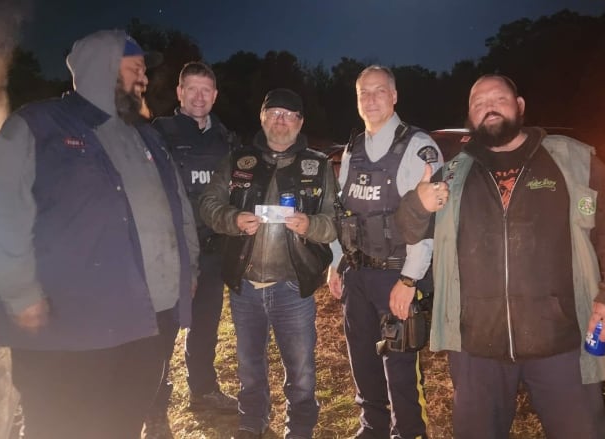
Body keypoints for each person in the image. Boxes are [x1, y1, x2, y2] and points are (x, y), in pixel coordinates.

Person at [0, 30, 198, 439]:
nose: (144, 79)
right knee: (64, 425)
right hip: (72, 325)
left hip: (148, 320)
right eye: (136, 69)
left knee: (124, 421)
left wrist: (190, 270)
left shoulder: (145, 134)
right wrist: (20, 294)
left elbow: (177, 205)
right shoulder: (36, 126)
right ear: (103, 69)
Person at [394, 74, 605, 438]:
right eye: (478, 103)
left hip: (561, 338)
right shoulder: (453, 174)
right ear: (470, 116)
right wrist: (418, 202)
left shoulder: (570, 160)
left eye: (498, 98)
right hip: (476, 343)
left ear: (520, 106)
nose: (488, 107)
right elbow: (408, 229)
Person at [199, 88, 336, 439]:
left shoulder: (318, 165)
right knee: (249, 368)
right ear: (262, 117)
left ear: (300, 122)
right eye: (273, 112)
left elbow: (334, 220)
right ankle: (251, 422)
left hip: (294, 285)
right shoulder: (237, 159)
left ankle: (300, 427)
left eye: (289, 114)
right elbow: (208, 204)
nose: (280, 120)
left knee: (302, 371)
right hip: (246, 285)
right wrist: (232, 219)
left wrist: (311, 225)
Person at [327, 65, 441, 439]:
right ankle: (372, 427)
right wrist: (335, 263)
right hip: (356, 274)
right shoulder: (352, 148)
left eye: (379, 91)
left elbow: (426, 224)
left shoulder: (417, 146)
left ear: (394, 96)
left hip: (396, 274)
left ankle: (407, 431)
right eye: (364, 93)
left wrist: (410, 279)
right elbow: (342, 211)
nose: (371, 99)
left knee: (401, 364)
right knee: (362, 359)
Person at [143, 61, 238, 438]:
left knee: (205, 327)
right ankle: (155, 410)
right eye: (192, 89)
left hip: (213, 253)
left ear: (214, 96)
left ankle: (203, 390)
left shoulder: (226, 140)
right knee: (163, 333)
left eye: (207, 91)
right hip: (171, 254)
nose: (199, 97)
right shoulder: (157, 135)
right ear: (180, 93)